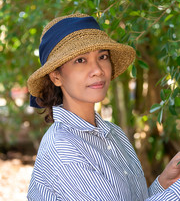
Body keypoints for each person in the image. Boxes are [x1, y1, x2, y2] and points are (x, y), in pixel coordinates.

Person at [27, 13, 180, 201]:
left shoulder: (113, 134)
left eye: (103, 56)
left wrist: (164, 183)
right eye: (80, 60)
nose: (98, 70)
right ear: (56, 76)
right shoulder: (63, 149)